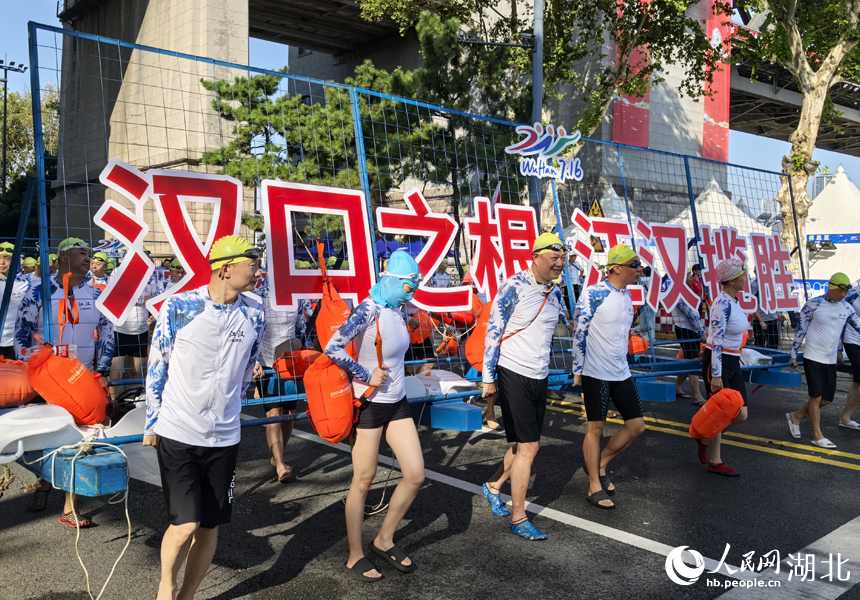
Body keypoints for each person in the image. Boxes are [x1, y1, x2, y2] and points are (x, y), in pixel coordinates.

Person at [143, 235, 265, 600]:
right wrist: (152, 421)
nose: (257, 271)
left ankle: (188, 595)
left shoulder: (255, 312)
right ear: (225, 269)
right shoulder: (180, 306)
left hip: (225, 437)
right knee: (185, 525)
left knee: (210, 528)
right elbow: (157, 365)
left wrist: (232, 405)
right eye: (252, 264)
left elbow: (247, 368)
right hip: (179, 432)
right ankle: (167, 584)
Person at [324, 250, 425, 580]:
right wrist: (366, 375)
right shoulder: (369, 308)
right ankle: (355, 554)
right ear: (393, 281)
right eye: (410, 284)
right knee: (363, 480)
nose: (413, 290)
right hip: (369, 403)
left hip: (398, 402)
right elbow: (332, 346)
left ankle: (384, 539)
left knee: (414, 474)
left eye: (416, 284)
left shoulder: (397, 308)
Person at [15, 237, 115, 526]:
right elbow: (21, 336)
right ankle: (43, 483)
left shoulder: (98, 294)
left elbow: (107, 333)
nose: (87, 257)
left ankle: (70, 507)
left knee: (76, 439)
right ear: (60, 259)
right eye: (79, 253)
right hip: (48, 379)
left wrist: (104, 368)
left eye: (89, 253)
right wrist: (33, 369)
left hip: (80, 378)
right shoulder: (39, 292)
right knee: (46, 435)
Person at [481, 233, 568, 540]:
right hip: (512, 372)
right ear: (535, 257)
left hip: (539, 375)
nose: (560, 264)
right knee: (530, 447)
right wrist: (487, 378)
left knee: (520, 446)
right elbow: (493, 332)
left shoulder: (555, 292)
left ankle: (492, 486)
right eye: (554, 258)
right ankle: (519, 518)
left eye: (563, 258)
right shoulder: (513, 286)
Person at [572, 244, 647, 509]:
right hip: (596, 372)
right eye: (634, 265)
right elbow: (579, 331)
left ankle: (601, 463)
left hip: (621, 371)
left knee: (637, 426)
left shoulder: (628, 296)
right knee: (596, 428)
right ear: (616, 268)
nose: (640, 270)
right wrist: (578, 369)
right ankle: (594, 485)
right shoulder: (594, 293)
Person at [786, 273, 860, 448]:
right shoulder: (813, 304)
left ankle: (796, 416)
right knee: (816, 398)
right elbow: (801, 330)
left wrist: (839, 351)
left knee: (827, 400)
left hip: (830, 359)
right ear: (832, 287)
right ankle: (817, 435)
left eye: (847, 290)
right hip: (813, 356)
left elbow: (858, 327)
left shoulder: (847, 308)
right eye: (842, 290)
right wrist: (793, 353)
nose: (844, 294)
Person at [698, 258, 751, 477]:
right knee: (721, 413)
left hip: (732, 361)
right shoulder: (721, 304)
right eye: (742, 275)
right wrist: (716, 376)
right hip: (717, 361)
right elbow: (717, 341)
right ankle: (715, 461)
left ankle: (703, 438)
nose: (745, 278)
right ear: (731, 280)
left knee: (741, 414)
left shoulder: (734, 301)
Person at [252, 272, 304, 483]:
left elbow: (301, 328)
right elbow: (251, 333)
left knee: (289, 415)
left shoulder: (296, 299)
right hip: (266, 364)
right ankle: (280, 463)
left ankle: (277, 456)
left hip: (290, 364)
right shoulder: (259, 298)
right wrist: (254, 362)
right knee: (274, 414)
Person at [672, 269, 707, 405]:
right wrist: (701, 332)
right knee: (693, 360)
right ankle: (697, 396)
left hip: (688, 329)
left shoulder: (686, 290)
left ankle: (677, 387)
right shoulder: (679, 292)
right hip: (685, 329)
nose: (690, 277)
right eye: (687, 274)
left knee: (689, 359)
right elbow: (691, 315)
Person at [0, 242, 30, 359]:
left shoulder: (24, 283)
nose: (2, 263)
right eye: (0, 258)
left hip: (15, 343)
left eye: (6, 259)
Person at [838, 281, 860, 430]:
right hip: (852, 340)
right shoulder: (853, 294)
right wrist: (838, 348)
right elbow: (840, 320)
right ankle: (845, 418)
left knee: (857, 383)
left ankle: (845, 418)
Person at [750, 273, 783, 349]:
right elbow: (753, 304)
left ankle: (772, 361)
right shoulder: (754, 284)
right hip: (760, 320)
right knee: (760, 345)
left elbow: (772, 300)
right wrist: (761, 320)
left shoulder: (771, 283)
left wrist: (778, 312)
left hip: (772, 318)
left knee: (774, 344)